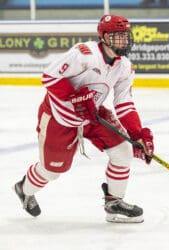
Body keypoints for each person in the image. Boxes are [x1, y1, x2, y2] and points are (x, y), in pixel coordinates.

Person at [13, 14, 154, 223]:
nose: (124, 40)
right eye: (118, 36)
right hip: (59, 117)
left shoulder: (124, 66)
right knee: (52, 171)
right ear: (104, 37)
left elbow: (124, 103)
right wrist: (72, 97)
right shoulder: (84, 54)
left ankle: (114, 203)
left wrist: (138, 134)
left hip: (92, 115)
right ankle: (24, 188)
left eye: (126, 35)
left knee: (123, 151)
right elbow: (49, 77)